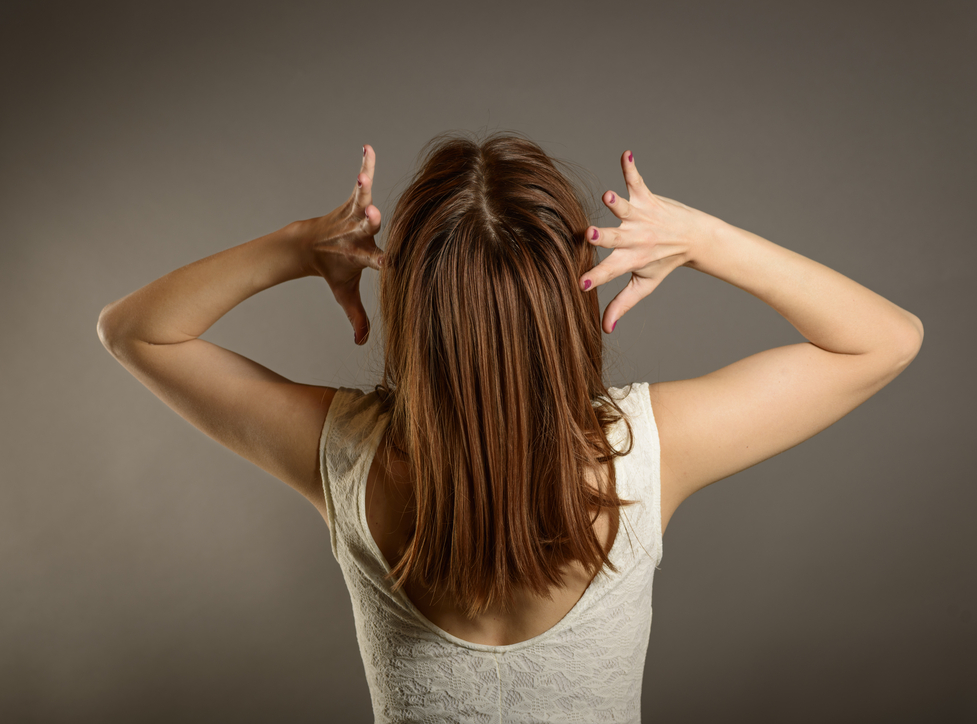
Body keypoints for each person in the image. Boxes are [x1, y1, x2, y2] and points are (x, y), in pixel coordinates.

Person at [97, 131, 923, 722]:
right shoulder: (647, 455)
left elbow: (133, 329)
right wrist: (704, 242)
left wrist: (300, 247)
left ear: (411, 313)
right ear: (572, 304)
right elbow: (886, 341)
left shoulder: (341, 454)